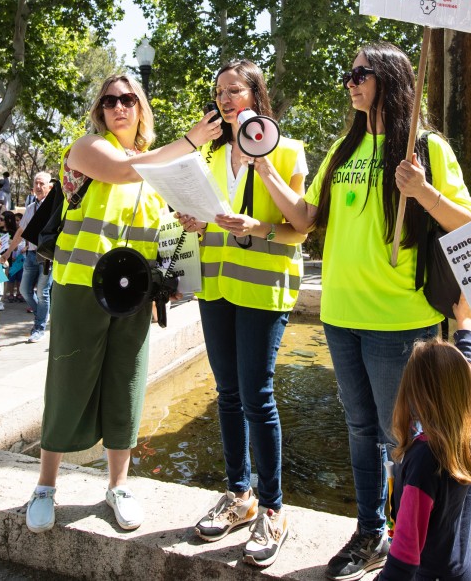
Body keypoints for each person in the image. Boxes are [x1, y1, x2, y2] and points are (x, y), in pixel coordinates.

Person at [252, 41, 471, 579]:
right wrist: (264, 171)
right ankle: (371, 530)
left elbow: (469, 225)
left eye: (361, 72)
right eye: (347, 72)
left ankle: (408, 541)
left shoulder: (427, 149)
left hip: (400, 321)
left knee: (404, 438)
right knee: (359, 430)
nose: (350, 81)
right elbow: (306, 219)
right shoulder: (343, 149)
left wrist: (421, 191)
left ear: (392, 79)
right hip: (341, 314)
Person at [24, 73, 222, 535]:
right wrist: (192, 138)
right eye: (109, 100)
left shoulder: (157, 167)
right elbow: (123, 171)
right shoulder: (86, 148)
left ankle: (118, 486)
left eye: (128, 99)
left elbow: (164, 230)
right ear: (100, 110)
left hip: (134, 294)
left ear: (140, 109)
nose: (119, 106)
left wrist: (186, 229)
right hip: (78, 286)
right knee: (68, 378)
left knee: (127, 382)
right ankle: (45, 486)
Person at [176, 60, 307, 567]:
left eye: (236, 89)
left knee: (257, 395)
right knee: (227, 394)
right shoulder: (208, 155)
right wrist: (192, 221)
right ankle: (238, 494)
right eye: (220, 91)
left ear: (256, 95)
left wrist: (257, 226)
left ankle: (273, 509)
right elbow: (204, 223)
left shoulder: (287, 149)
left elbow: (300, 229)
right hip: (216, 287)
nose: (227, 98)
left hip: (264, 290)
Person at [378, 297, 471, 580]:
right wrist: (464, 325)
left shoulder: (424, 460)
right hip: (461, 569)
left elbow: (404, 556)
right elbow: (470, 371)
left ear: (414, 394)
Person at [2, 172, 52, 343]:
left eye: (42, 184)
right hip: (30, 253)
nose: (38, 187)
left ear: (49, 187)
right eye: (36, 183)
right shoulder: (30, 208)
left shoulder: (54, 207)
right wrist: (8, 252)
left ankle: (38, 327)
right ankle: (43, 316)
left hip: (46, 255)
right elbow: (20, 232)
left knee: (42, 292)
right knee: (24, 290)